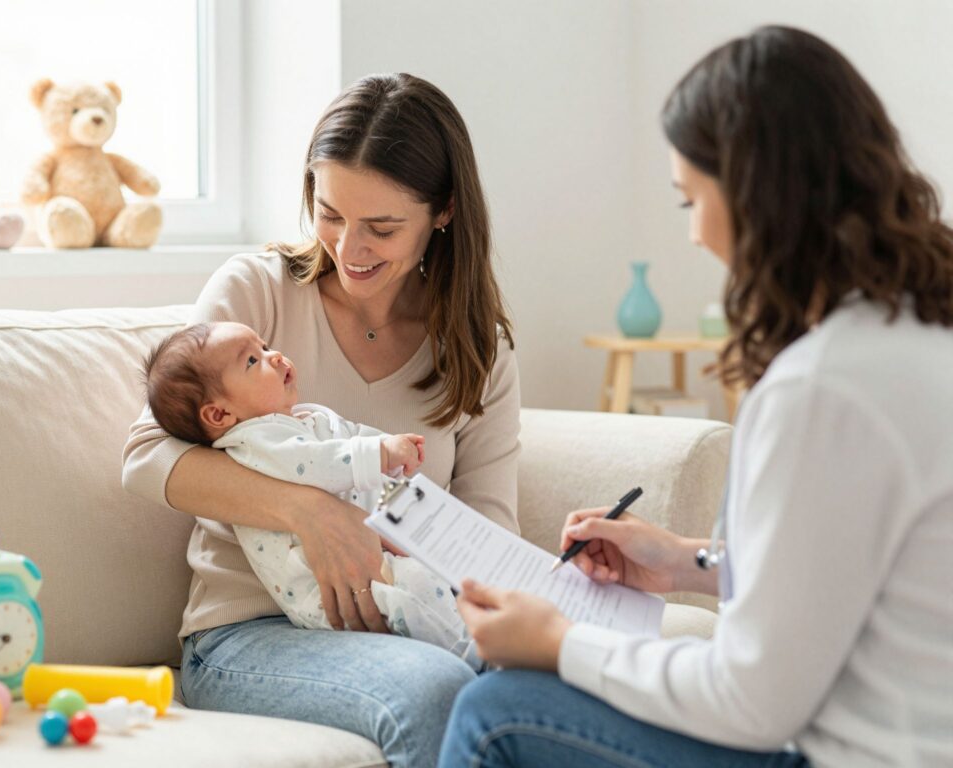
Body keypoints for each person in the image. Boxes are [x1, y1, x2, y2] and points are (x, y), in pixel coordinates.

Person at [439, 25, 953, 768]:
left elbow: (751, 698)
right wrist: (691, 562)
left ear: (754, 198)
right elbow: (860, 574)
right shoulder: (920, 330)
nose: (695, 236)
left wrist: (559, 643)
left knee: (495, 712)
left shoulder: (822, 389)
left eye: (690, 202)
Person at [122, 73, 520, 767]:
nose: (349, 247)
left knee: (554, 687)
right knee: (436, 692)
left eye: (383, 227)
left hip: (410, 620)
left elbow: (488, 527)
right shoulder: (258, 293)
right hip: (251, 635)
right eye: (329, 213)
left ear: (445, 212)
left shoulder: (477, 346)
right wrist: (310, 512)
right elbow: (147, 457)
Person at [142, 320, 476, 664]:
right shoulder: (255, 441)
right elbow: (316, 464)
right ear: (220, 413)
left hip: (373, 563)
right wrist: (382, 452)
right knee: (419, 589)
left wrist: (387, 465)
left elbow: (345, 439)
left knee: (438, 585)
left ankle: (478, 642)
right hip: (329, 593)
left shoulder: (298, 422)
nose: (275, 357)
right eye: (252, 361)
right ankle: (470, 653)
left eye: (266, 346)